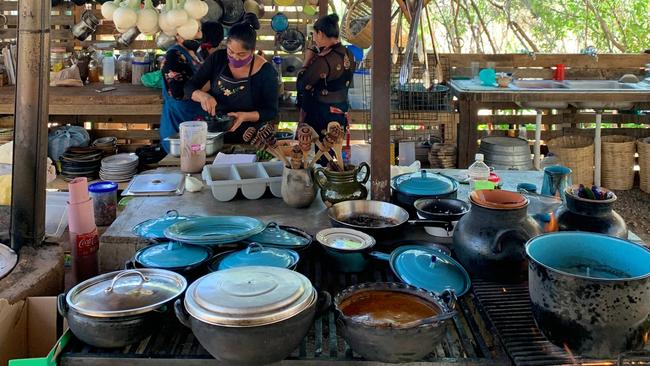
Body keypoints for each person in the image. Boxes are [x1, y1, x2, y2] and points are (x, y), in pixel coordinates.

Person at [185, 13, 279, 143]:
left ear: (252, 51)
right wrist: (202, 96)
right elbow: (189, 87)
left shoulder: (266, 71)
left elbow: (270, 111)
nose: (235, 57)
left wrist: (244, 116)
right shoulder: (217, 59)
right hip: (217, 134)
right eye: (230, 51)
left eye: (241, 54)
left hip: (252, 137)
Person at [159, 22, 224, 153]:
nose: (198, 34)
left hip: (196, 124)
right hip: (180, 125)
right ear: (178, 34)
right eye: (193, 31)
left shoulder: (196, 54)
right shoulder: (173, 56)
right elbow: (179, 91)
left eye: (199, 30)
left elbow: (201, 82)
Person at [297, 14, 356, 138]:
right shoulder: (348, 53)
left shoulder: (324, 60)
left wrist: (307, 61)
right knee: (332, 154)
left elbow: (302, 85)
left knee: (319, 155)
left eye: (314, 33)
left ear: (321, 34)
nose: (313, 38)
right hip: (340, 114)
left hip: (322, 118)